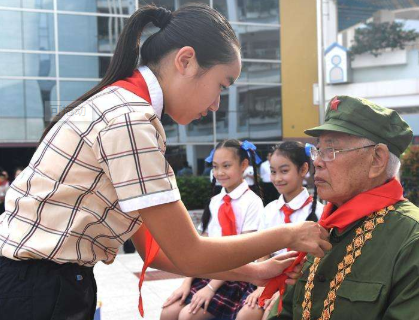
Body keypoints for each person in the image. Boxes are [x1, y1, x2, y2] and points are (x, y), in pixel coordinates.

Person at [0, 5, 330, 320]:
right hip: (41, 288)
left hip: (36, 283)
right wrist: (289, 234)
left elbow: (159, 252)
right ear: (186, 60)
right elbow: (189, 253)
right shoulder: (131, 121)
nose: (216, 105)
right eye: (220, 86)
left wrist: (256, 271)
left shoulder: (121, 108)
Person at [264, 96, 419, 320]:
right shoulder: (325, 227)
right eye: (318, 150)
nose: (317, 162)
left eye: (331, 151)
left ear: (377, 159)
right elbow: (289, 310)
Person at [161, 139, 264, 320]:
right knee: (168, 312)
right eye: (215, 167)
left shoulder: (253, 202)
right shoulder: (215, 202)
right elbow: (200, 248)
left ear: (244, 165)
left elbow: (244, 254)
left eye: (226, 166)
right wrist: (187, 282)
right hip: (210, 272)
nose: (219, 173)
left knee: (188, 315)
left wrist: (210, 288)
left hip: (237, 277)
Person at [236, 141, 324, 320]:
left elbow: (316, 262)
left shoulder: (319, 212)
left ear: (303, 169)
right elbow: (263, 251)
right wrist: (264, 286)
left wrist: (283, 291)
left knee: (272, 314)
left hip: (302, 282)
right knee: (246, 314)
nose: (277, 178)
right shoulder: (269, 210)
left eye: (284, 171)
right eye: (273, 171)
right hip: (269, 278)